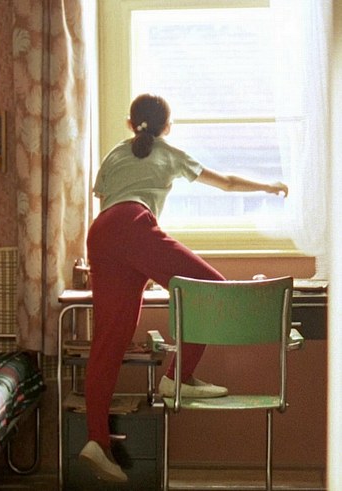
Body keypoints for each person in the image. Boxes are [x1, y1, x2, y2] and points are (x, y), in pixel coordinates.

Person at [78, 93, 289, 483]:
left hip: (100, 234)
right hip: (133, 224)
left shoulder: (115, 154)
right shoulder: (169, 153)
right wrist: (269, 186)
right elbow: (226, 183)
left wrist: (140, 262)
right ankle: (178, 375)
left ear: (130, 125)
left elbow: (108, 203)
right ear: (167, 126)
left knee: (108, 342)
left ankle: (97, 439)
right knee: (211, 289)